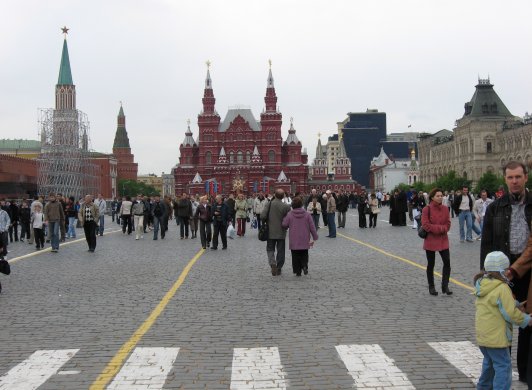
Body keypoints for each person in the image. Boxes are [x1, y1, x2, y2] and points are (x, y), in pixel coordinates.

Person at [481, 161, 532, 382]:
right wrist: (488, 276)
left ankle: (525, 372)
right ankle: (505, 370)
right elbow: (487, 244)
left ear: (526, 177)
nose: (514, 181)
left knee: (528, 322)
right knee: (503, 321)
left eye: (518, 177)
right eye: (510, 177)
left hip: (529, 271)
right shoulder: (495, 207)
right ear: (505, 179)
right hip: (504, 272)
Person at [475, 251, 532, 390]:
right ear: (501, 271)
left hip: (484, 337)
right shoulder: (502, 288)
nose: (508, 272)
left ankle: (482, 388)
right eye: (506, 269)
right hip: (497, 338)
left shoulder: (483, 285)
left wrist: (517, 303)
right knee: (503, 366)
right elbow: (510, 313)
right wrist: (526, 320)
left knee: (489, 364)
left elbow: (499, 303)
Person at [422, 188, 452, 296]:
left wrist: (443, 229)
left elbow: (448, 224)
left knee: (447, 262)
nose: (440, 197)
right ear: (432, 197)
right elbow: (425, 224)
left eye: (441, 195)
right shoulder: (427, 209)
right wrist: (440, 229)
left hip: (443, 240)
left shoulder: (445, 209)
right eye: (438, 196)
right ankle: (431, 286)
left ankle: (445, 285)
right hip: (431, 240)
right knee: (431, 264)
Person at [282, 196, 318, 276]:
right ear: (301, 205)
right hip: (304, 239)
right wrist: (315, 236)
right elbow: (312, 227)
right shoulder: (307, 214)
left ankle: (297, 271)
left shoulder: (290, 214)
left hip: (294, 239)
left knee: (295, 255)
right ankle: (304, 265)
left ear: (293, 205)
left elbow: (284, 224)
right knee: (304, 254)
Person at [261, 188, 291, 275]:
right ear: (283, 196)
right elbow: (289, 219)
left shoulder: (269, 204)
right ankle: (279, 267)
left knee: (270, 249)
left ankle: (272, 263)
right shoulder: (286, 206)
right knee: (281, 250)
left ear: (275, 195)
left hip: (270, 231)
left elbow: (262, 216)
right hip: (281, 231)